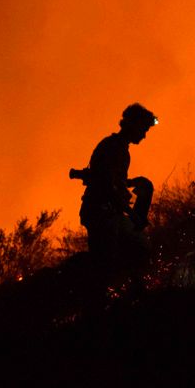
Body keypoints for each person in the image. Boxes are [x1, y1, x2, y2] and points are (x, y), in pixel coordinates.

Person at [72, 103, 157, 268]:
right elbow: (106, 185)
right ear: (133, 125)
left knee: (138, 247)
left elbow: (112, 180)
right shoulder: (114, 147)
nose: (144, 135)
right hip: (101, 213)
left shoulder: (118, 147)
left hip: (106, 211)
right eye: (143, 129)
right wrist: (132, 213)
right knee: (106, 262)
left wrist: (130, 183)